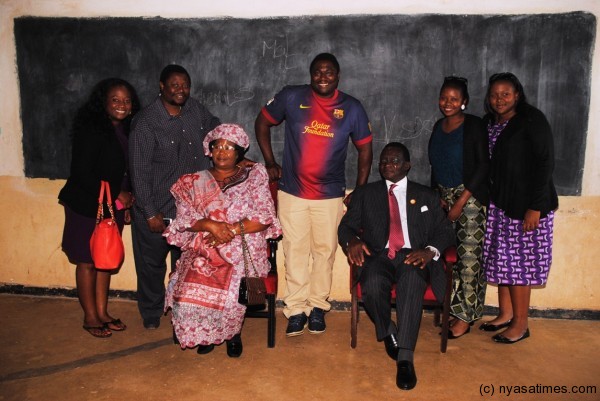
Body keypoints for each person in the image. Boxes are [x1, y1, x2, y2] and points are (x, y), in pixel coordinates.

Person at [255, 52, 373, 336]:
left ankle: (318, 306)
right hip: (292, 193)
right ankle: (295, 309)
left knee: (325, 252)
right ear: (311, 74)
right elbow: (262, 123)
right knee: (294, 251)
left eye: (329, 72)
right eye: (318, 72)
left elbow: (365, 150)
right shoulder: (291, 97)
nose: (323, 77)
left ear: (338, 76)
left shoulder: (352, 108)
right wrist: (270, 162)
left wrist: (359, 190)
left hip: (330, 195)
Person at [338, 142, 455, 390]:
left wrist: (429, 251)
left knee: (412, 281)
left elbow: (445, 232)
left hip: (414, 255)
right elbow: (345, 227)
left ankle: (405, 357)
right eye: (383, 161)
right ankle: (388, 330)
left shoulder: (427, 195)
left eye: (393, 161)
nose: (387, 165)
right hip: (379, 256)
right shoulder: (366, 193)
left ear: (407, 165)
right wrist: (353, 241)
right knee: (371, 282)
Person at [164, 124, 282, 357]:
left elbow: (265, 216)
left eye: (229, 147)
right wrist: (210, 225)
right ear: (210, 150)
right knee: (186, 287)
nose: (222, 151)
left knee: (231, 290)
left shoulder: (254, 176)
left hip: (243, 246)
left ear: (239, 152)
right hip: (204, 246)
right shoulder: (193, 182)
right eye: (217, 146)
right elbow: (185, 218)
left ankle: (232, 334)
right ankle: (205, 334)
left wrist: (230, 229)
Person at [129, 64, 220, 329]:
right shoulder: (146, 122)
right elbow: (139, 171)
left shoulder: (194, 110)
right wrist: (149, 212)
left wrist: (227, 146)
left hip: (189, 212)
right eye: (175, 85)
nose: (181, 90)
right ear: (162, 86)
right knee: (151, 266)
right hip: (158, 210)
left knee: (186, 267)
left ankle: (182, 313)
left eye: (185, 85)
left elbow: (214, 126)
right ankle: (151, 313)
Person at [480, 72, 558, 343]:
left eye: (506, 94)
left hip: (526, 209)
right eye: (494, 94)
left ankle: (520, 325)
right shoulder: (492, 122)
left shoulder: (531, 120)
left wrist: (535, 207)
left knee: (519, 268)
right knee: (503, 261)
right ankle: (505, 314)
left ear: (517, 95)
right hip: (502, 205)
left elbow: (545, 163)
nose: (499, 99)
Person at [59, 78, 140, 338]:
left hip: (112, 204)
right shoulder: (91, 130)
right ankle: (90, 317)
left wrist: (125, 200)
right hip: (85, 204)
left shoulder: (128, 130)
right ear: (103, 102)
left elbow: (126, 171)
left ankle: (103, 312)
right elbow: (82, 173)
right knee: (87, 261)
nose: (121, 104)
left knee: (104, 260)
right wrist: (117, 192)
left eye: (126, 100)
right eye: (115, 99)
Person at [428, 76, 489, 339]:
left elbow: (483, 166)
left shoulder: (474, 125)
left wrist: (461, 202)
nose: (448, 103)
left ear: (464, 102)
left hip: (471, 197)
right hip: (444, 197)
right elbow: (435, 164)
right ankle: (455, 307)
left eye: (454, 99)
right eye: (444, 98)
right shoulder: (438, 126)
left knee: (468, 260)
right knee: (448, 257)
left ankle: (466, 316)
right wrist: (437, 197)